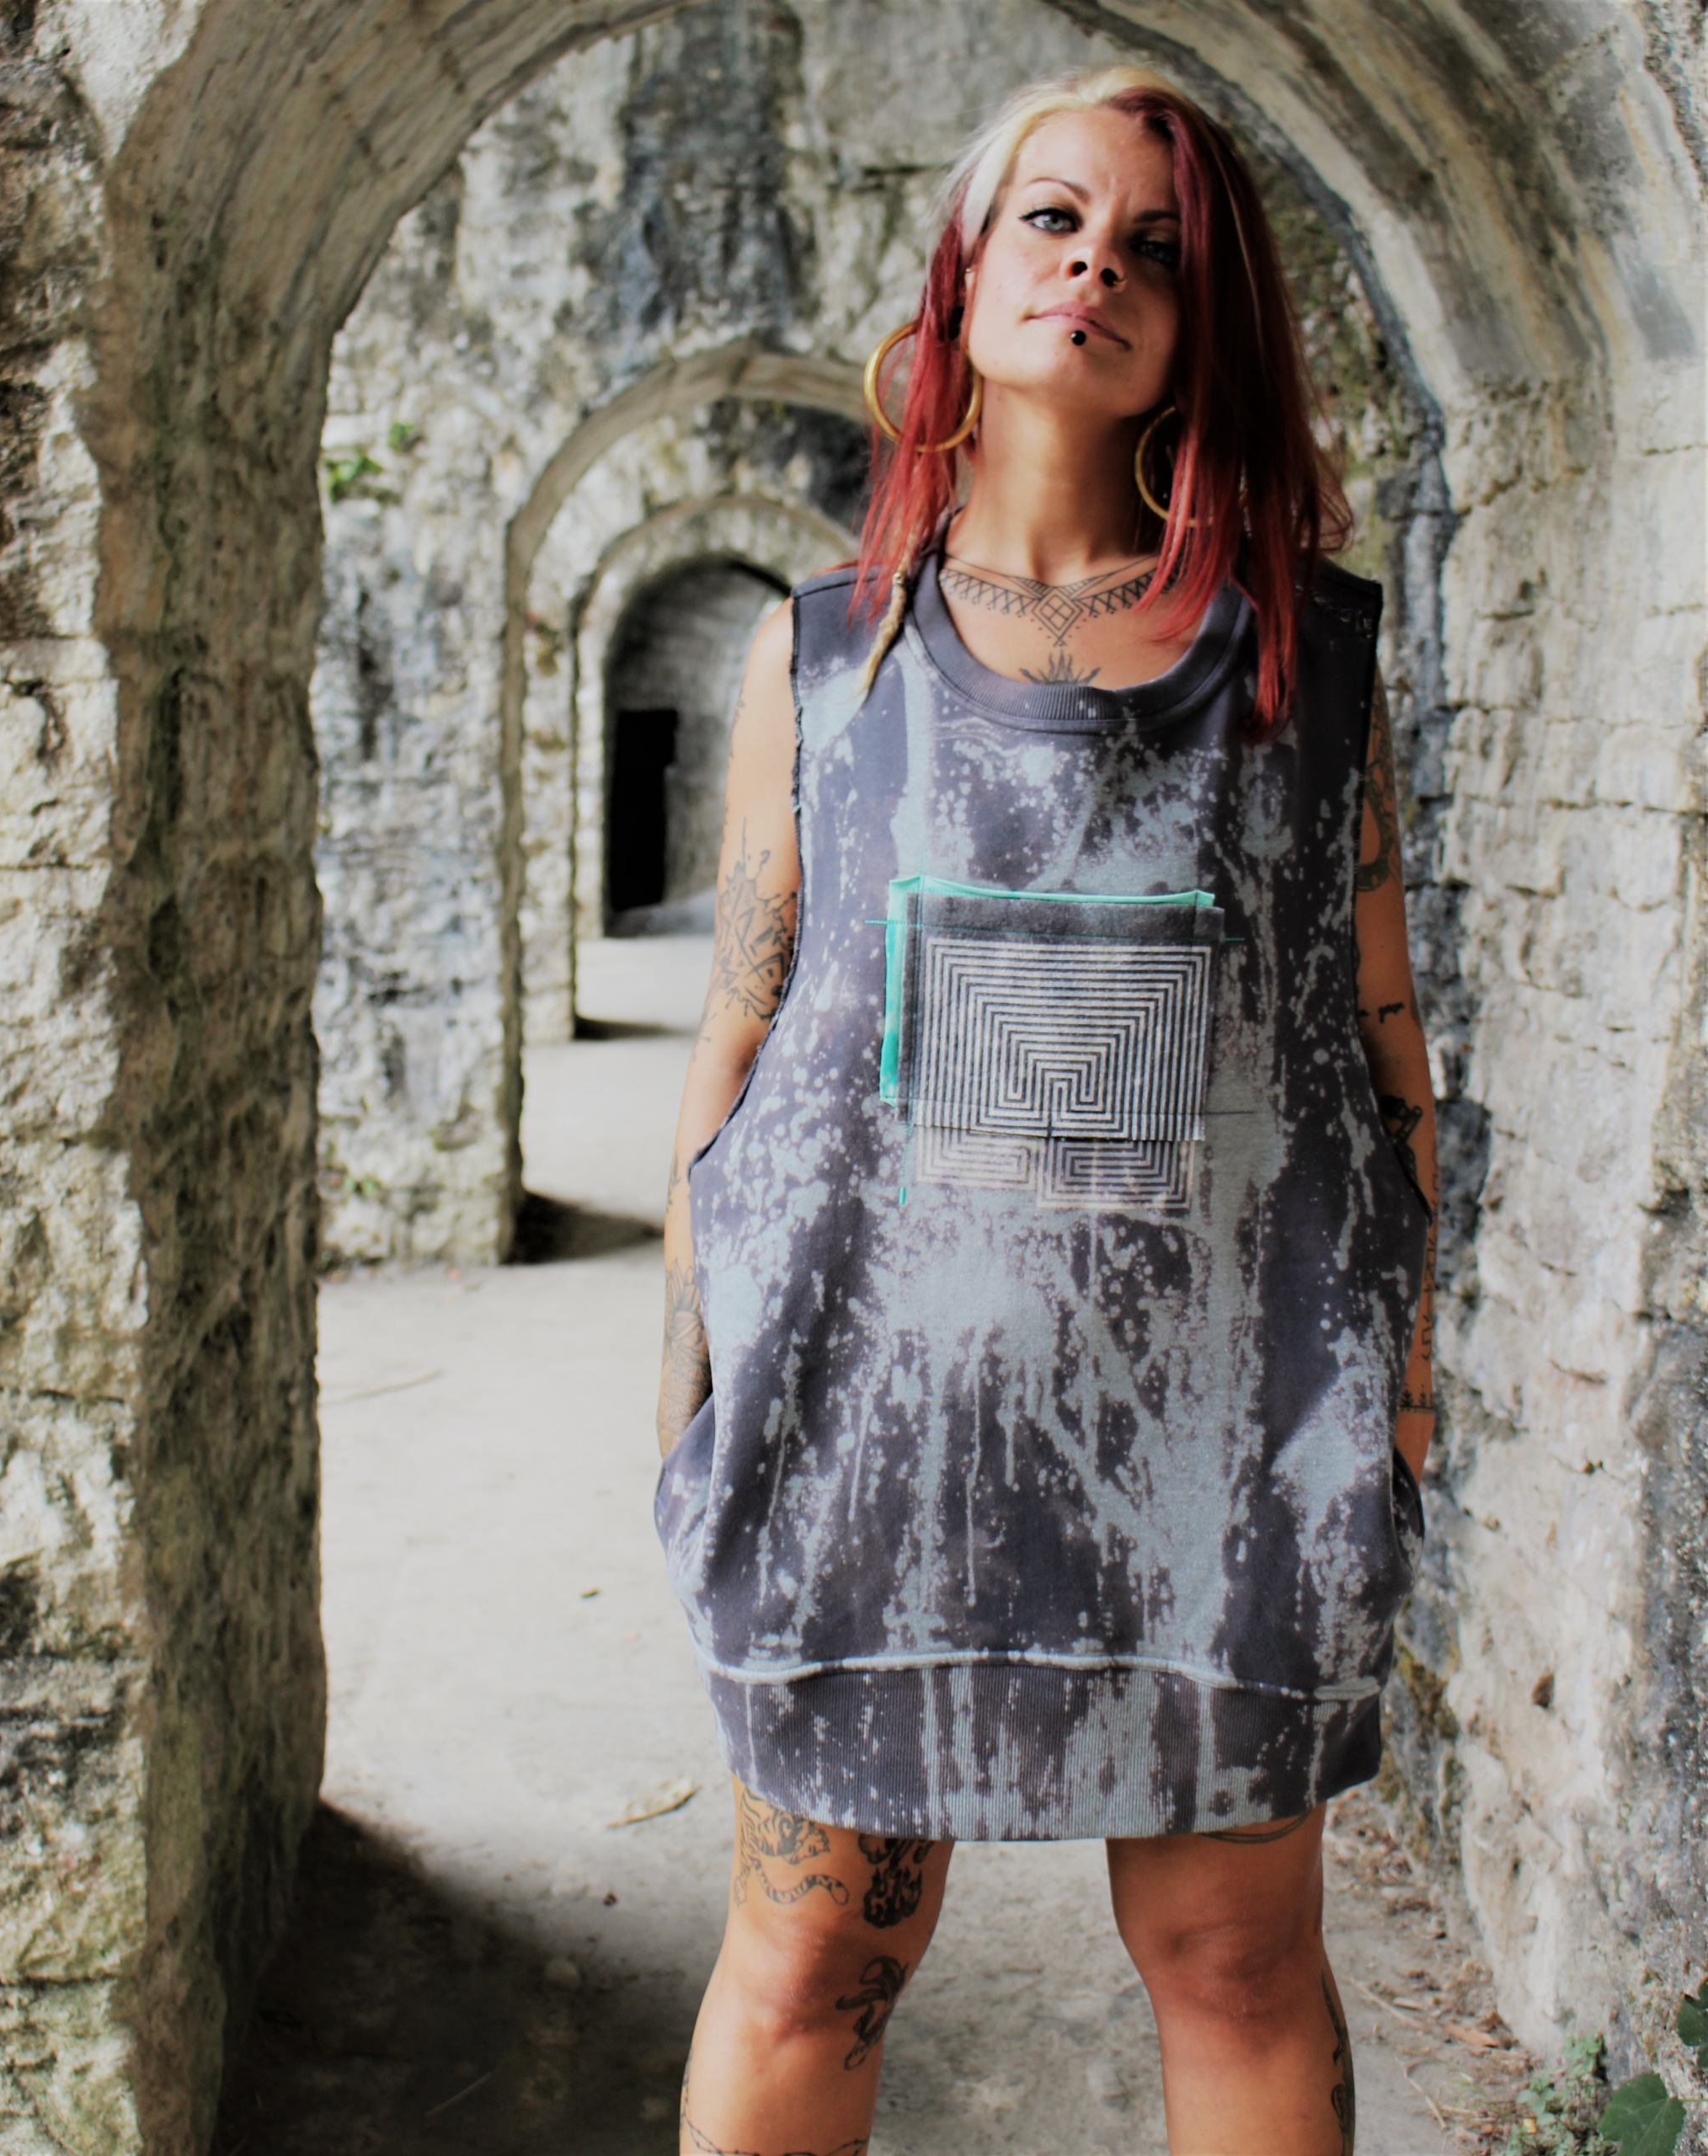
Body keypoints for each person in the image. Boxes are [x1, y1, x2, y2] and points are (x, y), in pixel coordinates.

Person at [654, 63, 1437, 2156]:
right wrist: (692, 1387)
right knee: (812, 1960)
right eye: (1054, 219)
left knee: (1236, 1967)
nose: (1096, 266)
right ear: (966, 271)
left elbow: (1379, 1044)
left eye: (1154, 248)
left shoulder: (1305, 666)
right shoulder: (823, 659)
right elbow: (738, 1041)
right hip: (868, 1448)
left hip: (1224, 1450)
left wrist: (1404, 1392)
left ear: (1201, 324)